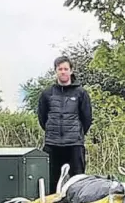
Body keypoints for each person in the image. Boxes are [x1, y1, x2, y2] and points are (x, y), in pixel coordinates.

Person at [37, 56, 93, 193]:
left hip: (74, 144)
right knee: (51, 182)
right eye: (60, 69)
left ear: (71, 71)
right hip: (52, 144)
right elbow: (42, 118)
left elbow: (87, 118)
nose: (63, 72)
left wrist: (77, 133)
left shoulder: (81, 93)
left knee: (78, 182)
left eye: (66, 69)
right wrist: (52, 131)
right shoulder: (46, 93)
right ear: (55, 71)